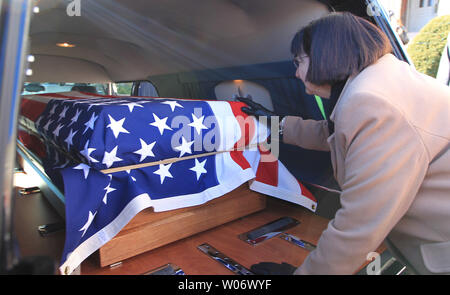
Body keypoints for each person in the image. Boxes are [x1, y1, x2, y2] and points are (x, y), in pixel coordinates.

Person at [239, 12, 450, 275]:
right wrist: (276, 124)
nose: (295, 73)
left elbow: (359, 224)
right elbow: (337, 134)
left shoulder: (372, 102)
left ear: (325, 54)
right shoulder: (380, 83)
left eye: (298, 62)